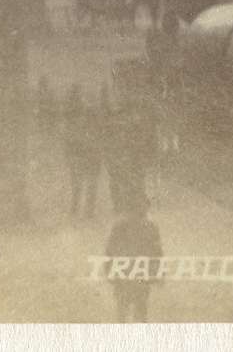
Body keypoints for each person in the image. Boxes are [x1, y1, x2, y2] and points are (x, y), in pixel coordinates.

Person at [104, 202, 162, 322]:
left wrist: (109, 271)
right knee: (139, 307)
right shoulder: (150, 226)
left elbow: (110, 250)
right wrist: (157, 272)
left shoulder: (119, 226)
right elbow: (157, 251)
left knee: (124, 308)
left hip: (124, 274)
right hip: (140, 273)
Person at [64, 87, 103, 219]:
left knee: (81, 184)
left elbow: (71, 139)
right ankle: (83, 211)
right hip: (85, 155)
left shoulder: (77, 120)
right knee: (83, 184)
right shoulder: (82, 120)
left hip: (86, 155)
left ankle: (82, 211)